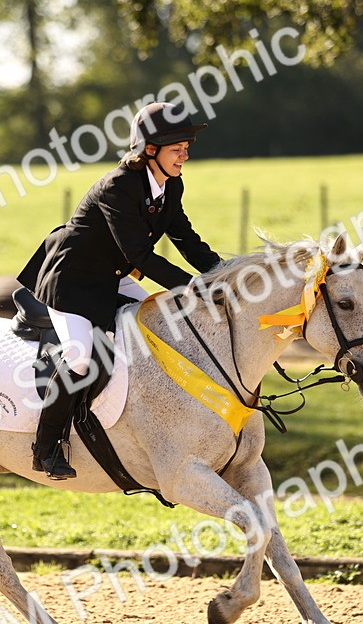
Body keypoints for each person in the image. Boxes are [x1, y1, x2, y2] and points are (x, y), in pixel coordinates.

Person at [17, 101, 222, 480]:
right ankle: (45, 448)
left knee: (165, 331)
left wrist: (221, 275)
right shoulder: (118, 186)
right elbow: (139, 254)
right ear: (150, 150)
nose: (185, 155)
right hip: (72, 280)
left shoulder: (171, 185)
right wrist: (192, 287)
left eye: (186, 147)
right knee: (81, 357)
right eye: (177, 148)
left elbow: (187, 240)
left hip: (113, 274)